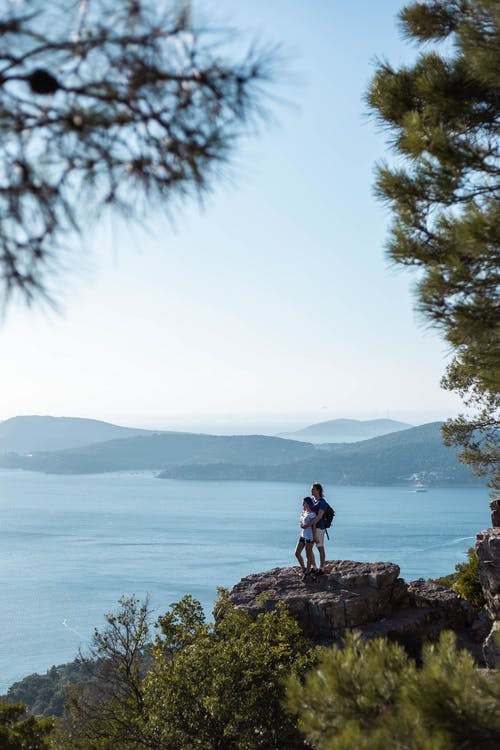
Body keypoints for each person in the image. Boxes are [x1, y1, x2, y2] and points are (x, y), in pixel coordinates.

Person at [301, 482, 328, 575]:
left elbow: (319, 516)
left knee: (320, 547)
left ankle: (322, 568)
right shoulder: (313, 500)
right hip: (312, 528)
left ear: (318, 490)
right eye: (311, 489)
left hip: (320, 528)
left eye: (313, 489)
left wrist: (308, 524)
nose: (311, 490)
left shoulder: (322, 502)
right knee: (309, 549)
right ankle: (314, 566)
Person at [294, 496, 318, 580]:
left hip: (309, 537)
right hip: (302, 535)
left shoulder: (312, 514)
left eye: (303, 502)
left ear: (307, 503)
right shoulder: (304, 513)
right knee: (297, 553)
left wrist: (315, 537)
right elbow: (301, 522)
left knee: (308, 555)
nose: (302, 504)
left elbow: (314, 526)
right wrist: (301, 524)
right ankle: (304, 569)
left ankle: (307, 572)